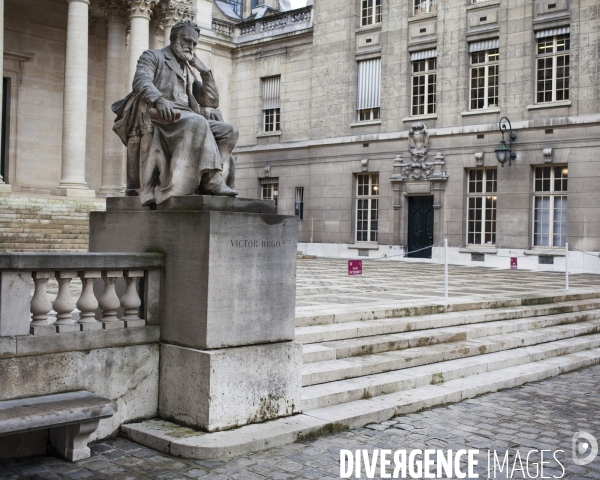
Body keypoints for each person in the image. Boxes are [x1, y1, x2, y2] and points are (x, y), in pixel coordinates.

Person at [112, 20, 238, 205]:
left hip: (186, 118)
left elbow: (211, 101)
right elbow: (140, 81)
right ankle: (207, 181)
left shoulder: (188, 69)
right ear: (174, 38)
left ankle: (210, 179)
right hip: (162, 115)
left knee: (229, 131)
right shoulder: (154, 56)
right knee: (198, 121)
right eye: (187, 40)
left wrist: (205, 72)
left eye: (194, 43)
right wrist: (159, 99)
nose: (191, 46)